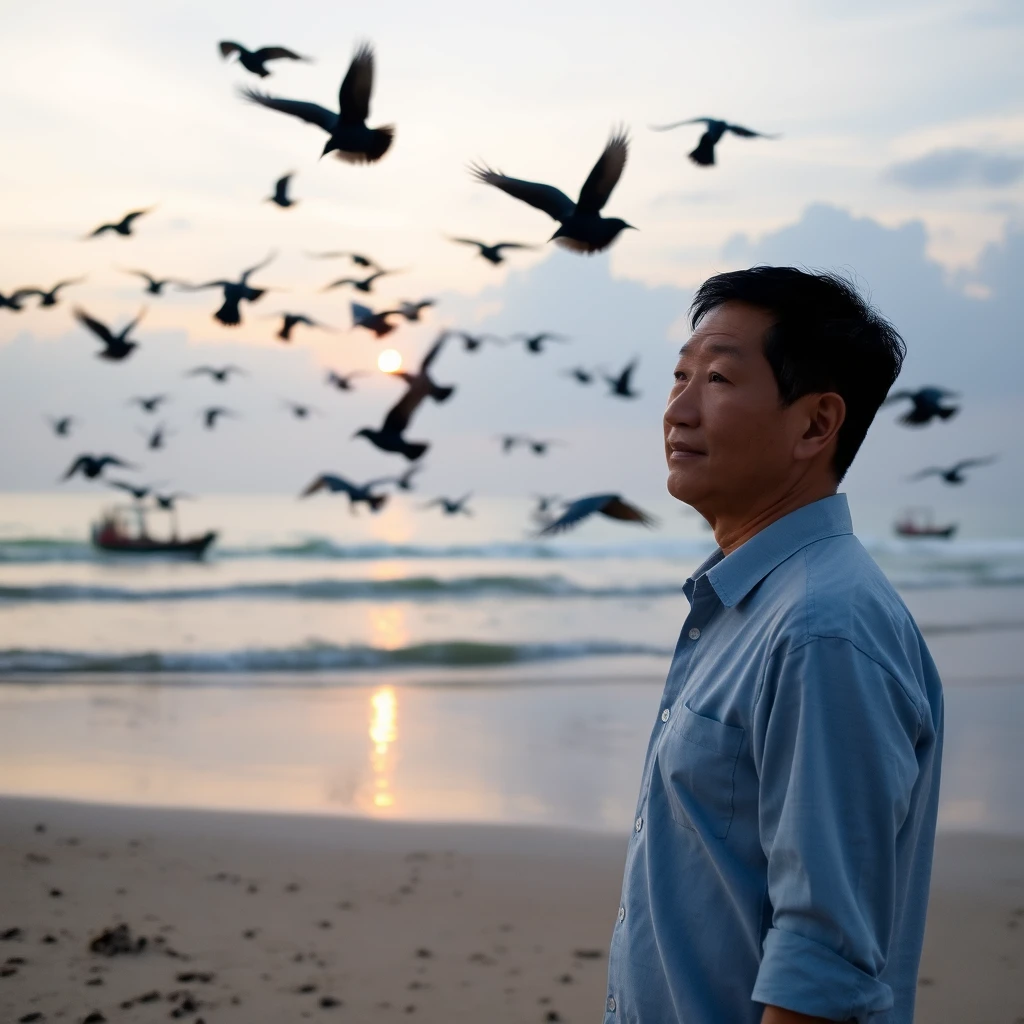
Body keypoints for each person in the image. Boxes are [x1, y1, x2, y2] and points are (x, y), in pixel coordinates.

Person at [603, 267, 943, 1024]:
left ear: (817, 425)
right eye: (679, 375)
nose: (677, 409)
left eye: (718, 377)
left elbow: (822, 960)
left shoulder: (822, 629)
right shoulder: (751, 605)